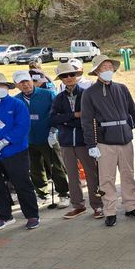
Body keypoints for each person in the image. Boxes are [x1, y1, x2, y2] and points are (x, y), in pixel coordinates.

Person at [80, 54, 135, 227]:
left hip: (125, 139)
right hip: (105, 142)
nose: (108, 70)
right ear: (97, 71)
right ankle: (110, 210)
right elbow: (86, 121)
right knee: (106, 178)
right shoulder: (89, 93)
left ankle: (131, 206)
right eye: (104, 67)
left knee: (128, 175)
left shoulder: (122, 88)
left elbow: (133, 111)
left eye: (110, 67)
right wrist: (91, 145)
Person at [0, 72, 39, 230]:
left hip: (15, 151)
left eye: (2, 85)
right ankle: (5, 215)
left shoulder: (17, 104)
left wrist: (4, 142)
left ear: (7, 87)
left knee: (21, 183)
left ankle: (32, 215)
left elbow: (22, 126)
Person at [50, 62, 103, 219]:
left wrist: (65, 120)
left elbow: (89, 117)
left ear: (76, 75)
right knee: (72, 176)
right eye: (64, 76)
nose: (68, 78)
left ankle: (98, 205)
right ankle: (78, 205)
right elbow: (52, 119)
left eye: (71, 74)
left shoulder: (86, 94)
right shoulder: (59, 98)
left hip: (84, 141)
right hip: (66, 142)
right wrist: (73, 116)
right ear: (60, 78)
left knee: (92, 174)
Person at [13, 70, 70, 208]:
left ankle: (63, 193)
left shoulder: (47, 94)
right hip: (28, 140)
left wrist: (53, 131)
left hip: (48, 136)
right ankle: (42, 194)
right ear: (16, 85)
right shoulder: (16, 100)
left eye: (27, 81)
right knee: (35, 168)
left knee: (56, 166)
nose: (25, 84)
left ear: (32, 81)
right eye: (21, 83)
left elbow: (58, 113)